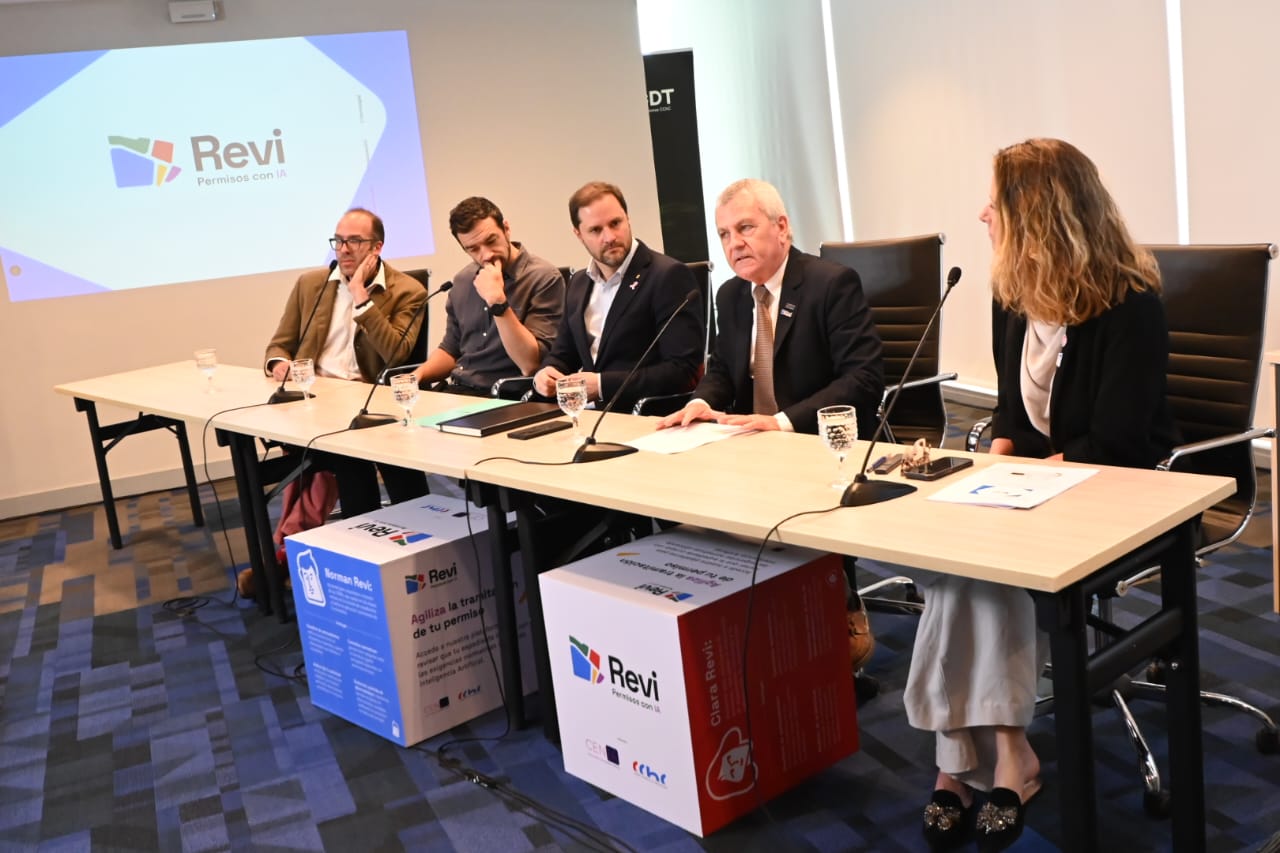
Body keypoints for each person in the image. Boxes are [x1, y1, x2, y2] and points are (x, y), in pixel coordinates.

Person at [907, 138, 1177, 853]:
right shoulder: (1012, 298)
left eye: (995, 202)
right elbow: (1009, 415)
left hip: (1122, 490)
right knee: (953, 559)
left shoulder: (1130, 305)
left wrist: (1014, 483)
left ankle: (976, 762)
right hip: (1037, 485)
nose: (982, 214)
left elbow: (1117, 442)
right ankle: (991, 757)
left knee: (987, 570)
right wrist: (985, 470)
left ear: (1038, 215)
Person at [655, 178, 885, 676]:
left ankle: (839, 602)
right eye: (724, 234)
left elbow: (863, 378)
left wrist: (781, 422)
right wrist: (700, 403)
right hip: (750, 448)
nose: (734, 244)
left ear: (782, 228)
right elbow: (722, 369)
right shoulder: (731, 295)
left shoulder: (830, 283)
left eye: (745, 228)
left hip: (816, 446)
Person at [263, 207, 429, 515]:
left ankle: (408, 527)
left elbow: (396, 353)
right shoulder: (311, 284)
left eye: (354, 241)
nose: (343, 249)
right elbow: (280, 344)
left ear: (377, 247)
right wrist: (278, 364)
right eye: (338, 241)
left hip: (371, 400)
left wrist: (360, 295)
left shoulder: (407, 291)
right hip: (317, 399)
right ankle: (359, 527)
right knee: (345, 455)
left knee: (359, 453)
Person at [532, 181, 703, 412]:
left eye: (615, 223)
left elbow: (681, 370)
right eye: (596, 230)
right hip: (587, 415)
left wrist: (602, 386)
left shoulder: (667, 276)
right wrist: (546, 373)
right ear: (578, 234)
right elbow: (563, 354)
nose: (609, 237)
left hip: (642, 413)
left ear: (628, 218)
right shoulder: (579, 283)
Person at [411, 197, 564, 394]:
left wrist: (497, 302)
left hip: (506, 395)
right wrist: (416, 376)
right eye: (473, 249)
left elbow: (530, 364)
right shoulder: (463, 280)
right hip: (459, 391)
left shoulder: (543, 278)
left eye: (491, 241)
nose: (486, 255)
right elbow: (450, 350)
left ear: (506, 229)